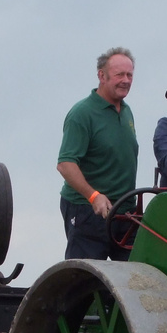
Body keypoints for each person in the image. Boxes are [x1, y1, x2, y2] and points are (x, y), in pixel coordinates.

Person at [56, 47, 138, 260]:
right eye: (120, 74)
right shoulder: (82, 114)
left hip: (124, 211)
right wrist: (93, 196)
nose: (126, 80)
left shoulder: (127, 111)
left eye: (130, 75)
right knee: (84, 282)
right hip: (87, 210)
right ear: (102, 75)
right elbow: (65, 164)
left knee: (134, 280)